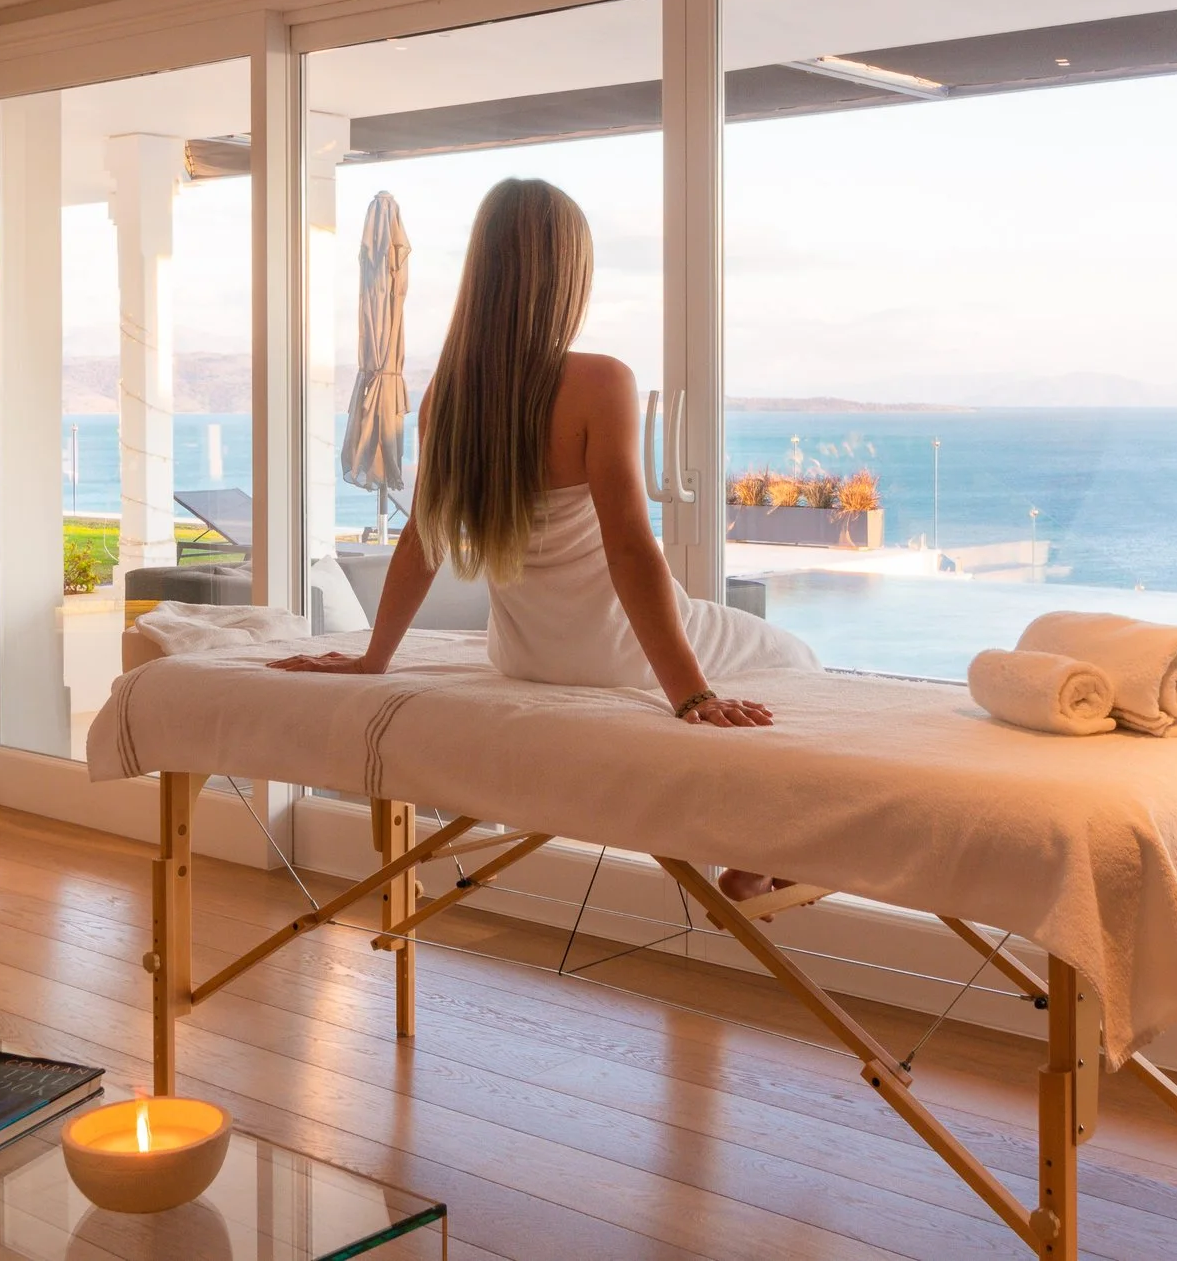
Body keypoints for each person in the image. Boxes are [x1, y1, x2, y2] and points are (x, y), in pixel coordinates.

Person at [273, 177, 818, 902]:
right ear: (568, 276)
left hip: (523, 654)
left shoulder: (448, 396)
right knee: (794, 654)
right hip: (614, 649)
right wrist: (689, 695)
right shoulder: (599, 383)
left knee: (750, 656)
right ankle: (762, 847)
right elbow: (630, 549)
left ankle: (753, 844)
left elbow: (421, 541)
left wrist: (376, 658)